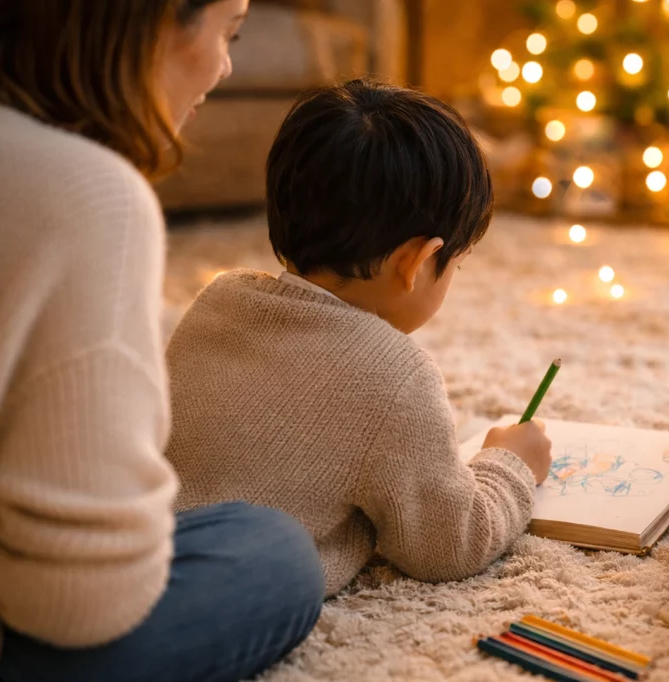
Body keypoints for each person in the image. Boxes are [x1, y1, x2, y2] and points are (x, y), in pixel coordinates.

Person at [0, 2, 325, 681]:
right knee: (273, 554)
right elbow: (77, 601)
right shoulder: (85, 195)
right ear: (149, 22)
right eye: (227, 30)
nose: (226, 65)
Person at [162, 80, 553, 596]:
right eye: (455, 263)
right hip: (216, 593)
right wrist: (509, 467)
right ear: (415, 262)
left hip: (135, 550)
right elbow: (450, 544)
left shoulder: (218, 300)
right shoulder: (396, 376)